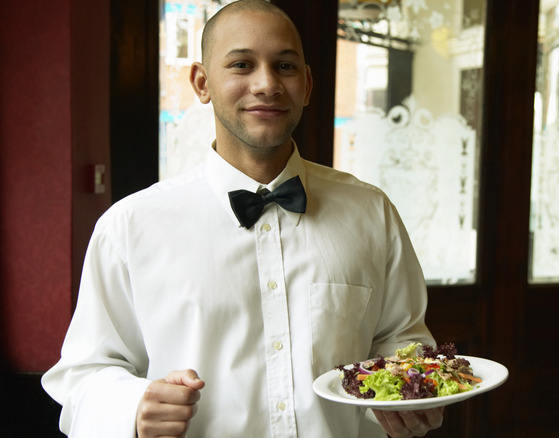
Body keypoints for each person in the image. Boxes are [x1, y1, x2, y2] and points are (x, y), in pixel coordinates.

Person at [41, 1, 444, 437]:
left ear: (306, 85)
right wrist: (133, 408)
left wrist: (409, 399)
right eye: (242, 64)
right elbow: (83, 375)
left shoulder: (371, 212)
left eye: (285, 65)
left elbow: (403, 341)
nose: (266, 84)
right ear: (202, 82)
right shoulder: (129, 226)